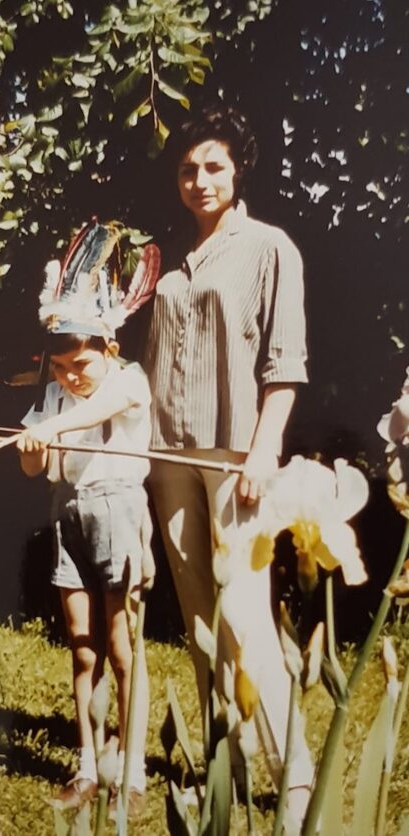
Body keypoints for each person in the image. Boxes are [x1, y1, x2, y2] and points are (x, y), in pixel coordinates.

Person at [143, 105, 314, 829]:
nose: (199, 179)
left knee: (245, 610)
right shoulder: (172, 263)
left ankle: (297, 771)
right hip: (166, 453)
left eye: (213, 166)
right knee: (198, 617)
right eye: (188, 168)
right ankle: (227, 761)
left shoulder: (269, 247)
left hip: (237, 452)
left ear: (237, 169)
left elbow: (286, 363)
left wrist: (265, 449)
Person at [17, 225, 159, 815]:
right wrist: (33, 447)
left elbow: (108, 405)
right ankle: (87, 763)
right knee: (83, 649)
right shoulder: (52, 398)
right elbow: (35, 467)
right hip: (67, 516)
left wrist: (54, 427)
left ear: (109, 350)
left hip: (120, 510)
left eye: (81, 362)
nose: (71, 376)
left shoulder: (127, 381)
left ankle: (134, 769)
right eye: (60, 366)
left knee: (124, 647)